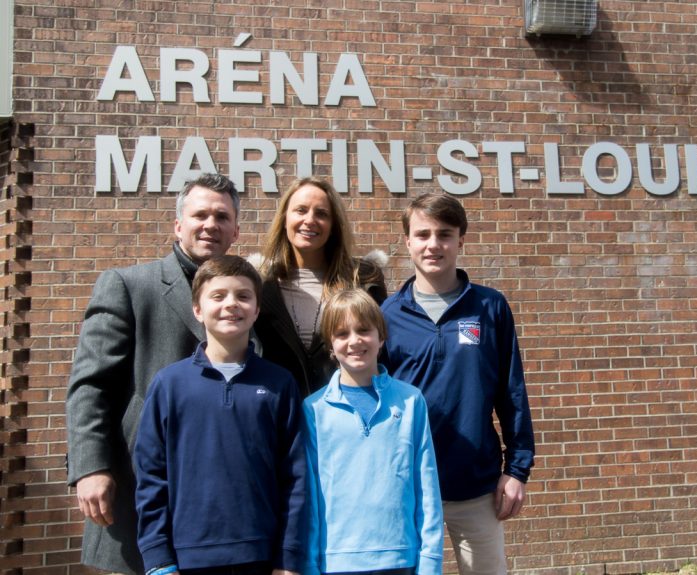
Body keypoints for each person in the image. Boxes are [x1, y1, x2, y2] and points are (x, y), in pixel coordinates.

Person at [66, 173, 243, 574]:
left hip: (221, 503)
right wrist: (90, 467)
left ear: (235, 230)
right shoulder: (129, 285)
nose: (210, 224)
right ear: (178, 225)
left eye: (221, 216)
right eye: (200, 215)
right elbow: (90, 385)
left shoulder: (247, 295)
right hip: (141, 492)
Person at [380, 192, 535, 575]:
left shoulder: (489, 307)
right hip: (408, 488)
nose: (434, 244)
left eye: (445, 234)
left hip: (476, 486)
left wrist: (516, 470)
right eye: (423, 234)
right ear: (408, 242)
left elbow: (511, 392)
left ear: (460, 240)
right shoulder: (387, 314)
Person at [133, 255, 305, 575]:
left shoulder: (279, 384)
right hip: (187, 558)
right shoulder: (169, 385)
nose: (231, 304)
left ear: (256, 310)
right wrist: (158, 557)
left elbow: (294, 478)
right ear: (197, 309)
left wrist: (288, 554)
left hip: (262, 554)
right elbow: (150, 475)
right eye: (218, 296)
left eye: (243, 296)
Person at [303, 289, 443, 575]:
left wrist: (430, 562)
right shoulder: (313, 409)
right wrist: (310, 564)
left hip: (400, 558)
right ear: (330, 345)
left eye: (364, 330)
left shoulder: (410, 401)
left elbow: (426, 486)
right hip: (336, 560)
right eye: (342, 334)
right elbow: (310, 496)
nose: (354, 341)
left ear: (381, 337)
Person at [254, 176, 386, 398]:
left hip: (346, 413)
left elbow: (382, 351)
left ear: (333, 225)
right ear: (285, 217)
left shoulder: (363, 280)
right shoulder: (261, 283)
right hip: (278, 415)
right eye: (301, 210)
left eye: (321, 214)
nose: (310, 220)